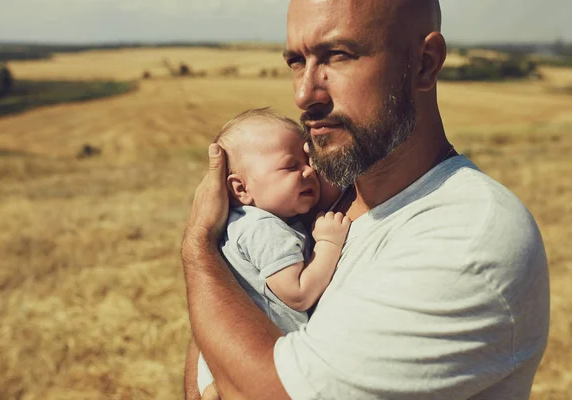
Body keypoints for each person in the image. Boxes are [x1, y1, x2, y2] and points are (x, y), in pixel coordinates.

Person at [182, 0, 550, 399]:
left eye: (337, 55)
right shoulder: (310, 207)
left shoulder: (468, 235)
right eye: (295, 61)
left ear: (424, 63)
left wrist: (201, 249)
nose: (305, 94)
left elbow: (269, 391)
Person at [195, 108, 351, 396]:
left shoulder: (246, 222)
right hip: (259, 356)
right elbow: (298, 293)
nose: (309, 171)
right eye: (291, 166)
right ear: (242, 189)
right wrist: (330, 244)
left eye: (308, 162)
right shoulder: (264, 228)